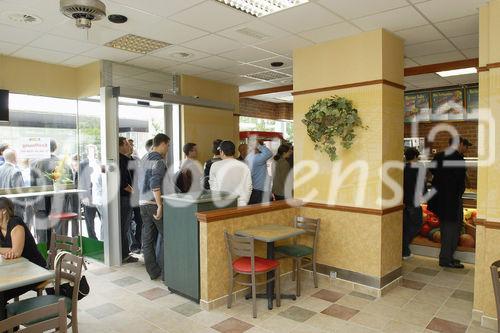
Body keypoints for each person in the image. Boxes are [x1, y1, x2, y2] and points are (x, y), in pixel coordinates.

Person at [0, 197, 46, 320]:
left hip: (35, 270)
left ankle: (8, 325)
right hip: (18, 270)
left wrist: (9, 251)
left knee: (1, 294)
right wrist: (8, 251)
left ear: (3, 211)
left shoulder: (16, 223)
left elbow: (16, 252)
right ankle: (8, 323)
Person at [428, 136, 471, 269]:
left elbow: (431, 171)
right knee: (451, 231)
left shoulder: (439, 156)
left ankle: (448, 257)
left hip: (440, 201)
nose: (466, 148)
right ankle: (446, 259)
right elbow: (460, 182)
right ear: (459, 144)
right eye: (465, 145)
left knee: (448, 230)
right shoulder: (458, 159)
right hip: (452, 201)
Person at [139, 133, 170, 280]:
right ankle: (165, 272)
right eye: (168, 146)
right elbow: (155, 184)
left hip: (142, 203)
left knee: (148, 238)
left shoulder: (144, 158)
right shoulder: (159, 161)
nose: (168, 149)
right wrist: (159, 205)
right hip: (153, 203)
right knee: (167, 235)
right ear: (162, 144)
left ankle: (153, 271)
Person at [30, 139, 61, 244]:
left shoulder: (35, 163)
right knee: (57, 229)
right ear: (55, 148)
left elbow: (32, 185)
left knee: (42, 231)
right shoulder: (60, 162)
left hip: (40, 201)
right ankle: (57, 253)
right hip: (56, 201)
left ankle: (43, 254)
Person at [209, 141, 252, 207]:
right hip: (240, 204)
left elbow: (213, 186)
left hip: (221, 204)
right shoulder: (244, 166)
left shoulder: (215, 166)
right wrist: (244, 201)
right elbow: (248, 186)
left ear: (222, 152)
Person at [402, 147, 425, 260]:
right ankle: (404, 250)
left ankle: (404, 250)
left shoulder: (402, 168)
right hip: (414, 202)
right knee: (416, 225)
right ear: (415, 157)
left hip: (403, 202)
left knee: (405, 227)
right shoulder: (419, 168)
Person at [118, 137, 137, 264]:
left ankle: (124, 252)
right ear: (120, 146)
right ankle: (124, 254)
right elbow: (123, 183)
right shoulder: (120, 161)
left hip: (125, 197)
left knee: (125, 226)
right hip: (124, 198)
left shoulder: (126, 159)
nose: (129, 146)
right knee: (124, 227)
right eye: (126, 144)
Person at [246, 140, 273, 204]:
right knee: (264, 212)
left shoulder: (249, 157)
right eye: (263, 146)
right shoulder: (256, 158)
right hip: (261, 191)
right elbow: (269, 153)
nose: (263, 148)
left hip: (256, 190)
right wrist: (258, 145)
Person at [0, 149, 25, 218]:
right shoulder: (16, 172)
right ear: (14, 157)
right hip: (14, 209)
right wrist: (24, 207)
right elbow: (20, 192)